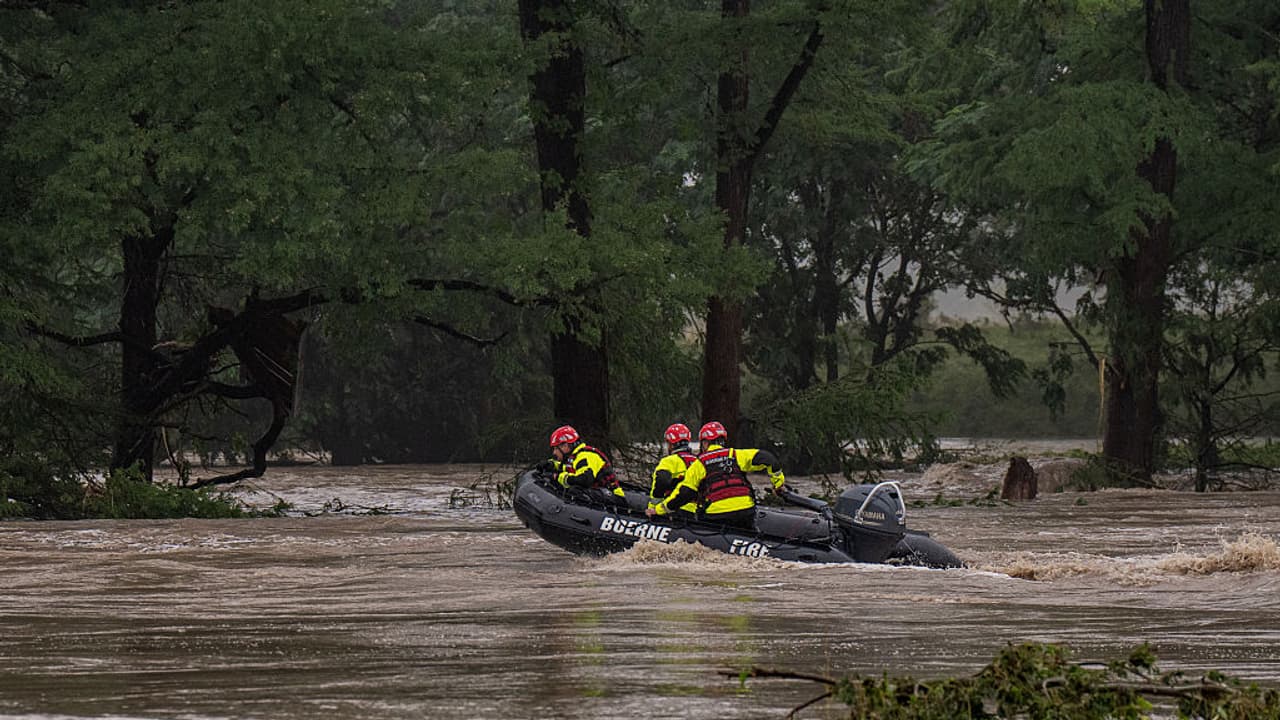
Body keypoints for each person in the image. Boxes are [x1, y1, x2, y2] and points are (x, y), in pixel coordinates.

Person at [646, 420, 787, 531]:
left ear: (705, 442)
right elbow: (769, 459)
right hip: (746, 512)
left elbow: (685, 493)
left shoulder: (700, 463)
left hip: (717, 516)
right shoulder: (736, 455)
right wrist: (778, 483)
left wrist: (658, 510)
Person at [546, 424, 626, 503]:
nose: (554, 452)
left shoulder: (586, 456)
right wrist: (551, 465)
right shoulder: (574, 456)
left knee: (575, 490)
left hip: (613, 496)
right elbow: (567, 467)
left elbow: (584, 480)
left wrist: (558, 477)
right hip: (599, 491)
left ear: (566, 446)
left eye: (556, 448)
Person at [648, 423, 699, 520]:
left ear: (671, 444)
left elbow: (661, 482)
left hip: (673, 511)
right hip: (695, 513)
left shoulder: (669, 461)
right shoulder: (698, 461)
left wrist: (654, 508)